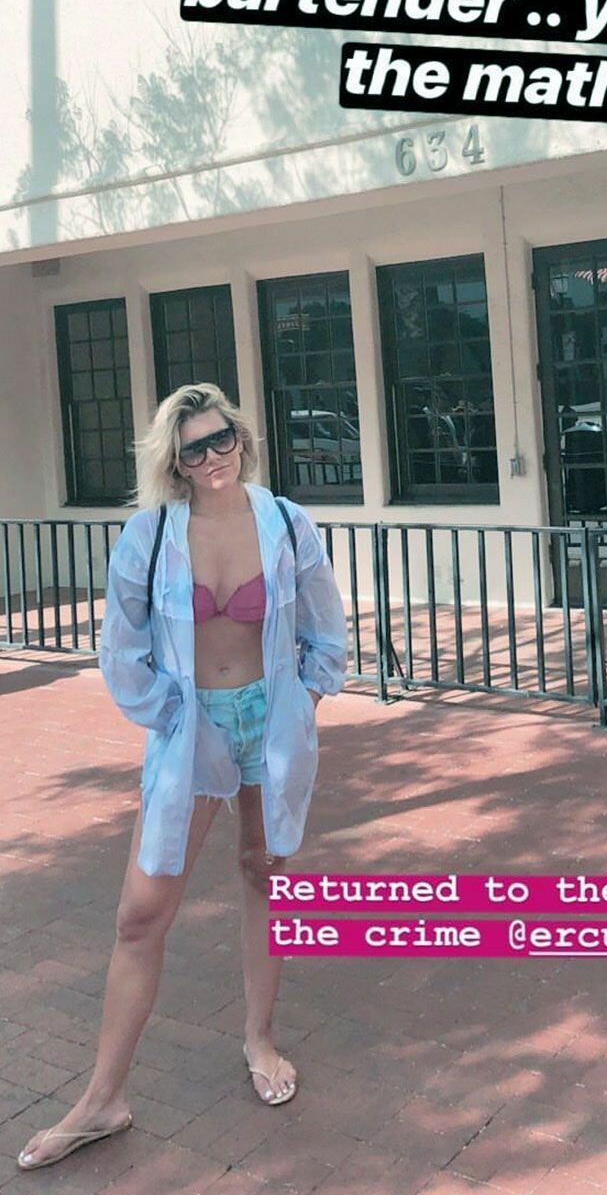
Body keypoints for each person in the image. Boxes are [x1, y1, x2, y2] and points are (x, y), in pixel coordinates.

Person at [17, 383, 349, 1171]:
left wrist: (301, 703)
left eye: (220, 437)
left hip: (269, 724)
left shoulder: (286, 522)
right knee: (140, 913)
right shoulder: (152, 533)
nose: (211, 456)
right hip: (191, 730)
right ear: (175, 458)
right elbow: (121, 646)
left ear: (241, 437)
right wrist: (170, 716)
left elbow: (325, 628)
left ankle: (260, 1040)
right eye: (193, 446)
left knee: (264, 875)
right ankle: (102, 1099)